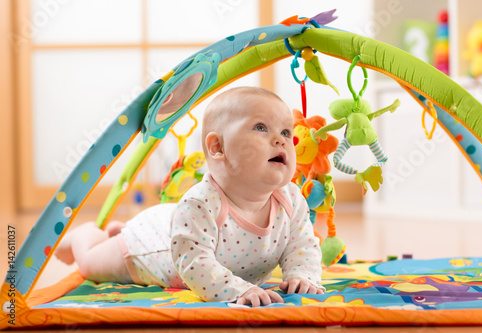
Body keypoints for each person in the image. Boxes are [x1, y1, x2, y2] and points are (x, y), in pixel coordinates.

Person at [55, 86, 324, 307]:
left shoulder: (291, 198)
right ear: (217, 148)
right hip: (147, 247)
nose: (280, 140)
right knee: (90, 263)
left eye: (286, 132)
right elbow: (196, 264)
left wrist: (302, 275)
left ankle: (115, 232)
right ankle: (84, 236)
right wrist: (237, 289)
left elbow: (302, 244)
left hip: (177, 226)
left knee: (115, 242)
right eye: (261, 128)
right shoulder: (202, 203)